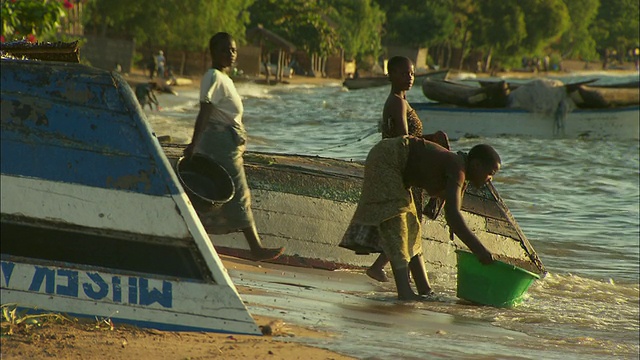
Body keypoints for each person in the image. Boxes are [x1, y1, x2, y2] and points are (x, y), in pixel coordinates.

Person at [339, 136, 499, 300]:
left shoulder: (459, 169)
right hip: (387, 159)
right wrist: (479, 251)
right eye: (490, 173)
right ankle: (404, 292)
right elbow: (453, 216)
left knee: (412, 226)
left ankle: (425, 290)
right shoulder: (457, 168)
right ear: (476, 165)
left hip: (394, 166)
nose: (490, 179)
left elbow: (452, 211)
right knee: (397, 221)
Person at [183, 32, 284, 262]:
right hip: (220, 143)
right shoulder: (213, 76)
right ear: (213, 53)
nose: (230, 54)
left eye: (233, 50)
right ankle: (256, 249)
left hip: (227, 142)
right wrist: (194, 143)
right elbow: (205, 110)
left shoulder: (224, 79)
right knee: (238, 191)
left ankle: (194, 239)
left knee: (220, 193)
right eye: (225, 50)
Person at [366, 56, 450, 283]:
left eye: (412, 73)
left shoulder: (401, 101)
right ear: (390, 75)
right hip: (403, 168)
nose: (409, 77)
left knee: (409, 223)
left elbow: (410, 139)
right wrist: (433, 143)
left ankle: (407, 277)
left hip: (405, 167)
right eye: (403, 73)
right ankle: (381, 269)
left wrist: (431, 139)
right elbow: (405, 141)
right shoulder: (396, 102)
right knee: (407, 224)